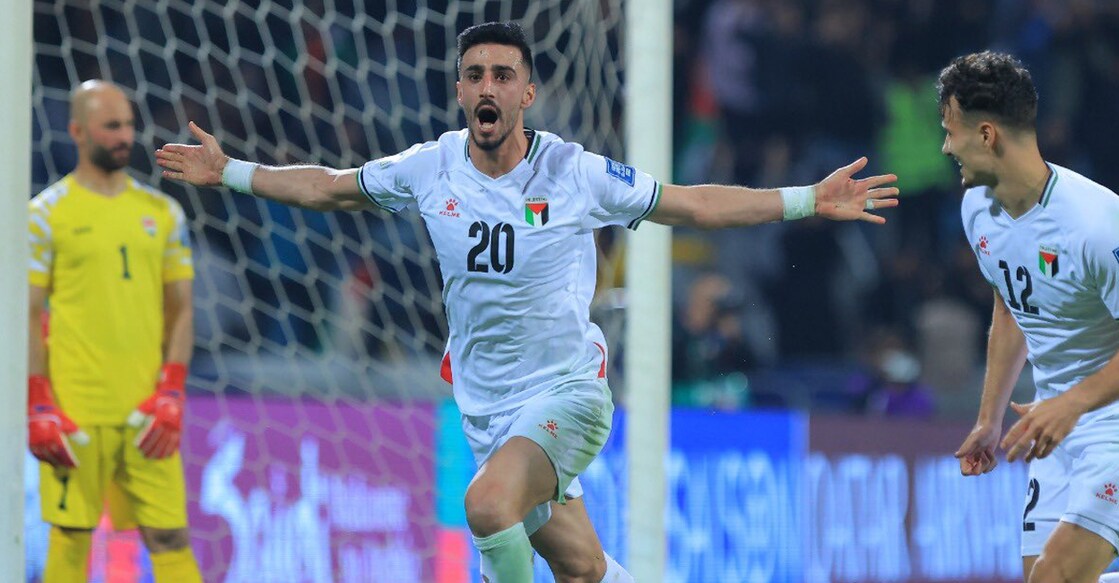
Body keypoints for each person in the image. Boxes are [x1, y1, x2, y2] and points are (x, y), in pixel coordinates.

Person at [155, 21, 897, 583]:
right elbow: (328, 186)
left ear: (527, 91)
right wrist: (231, 173)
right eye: (474, 74)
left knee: (485, 508)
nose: (487, 87)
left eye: (502, 74)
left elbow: (693, 204)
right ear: (458, 90)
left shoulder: (574, 172)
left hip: (567, 395)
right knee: (581, 569)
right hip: (487, 409)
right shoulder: (429, 166)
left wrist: (804, 199)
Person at [946, 52, 1119, 583]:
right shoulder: (977, 207)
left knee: (1056, 577)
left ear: (987, 134)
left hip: (1109, 423)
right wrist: (989, 419)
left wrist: (1071, 404)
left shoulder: (1095, 224)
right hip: (1052, 428)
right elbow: (1011, 305)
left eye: (951, 132)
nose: (946, 146)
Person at [27, 80, 201, 582]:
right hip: (74, 411)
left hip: (147, 413)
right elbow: (27, 313)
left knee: (170, 537)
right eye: (111, 126)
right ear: (78, 131)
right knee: (72, 538)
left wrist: (171, 391)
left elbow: (182, 310)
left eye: (128, 124)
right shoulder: (45, 215)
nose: (125, 135)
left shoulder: (161, 213)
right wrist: (38, 401)